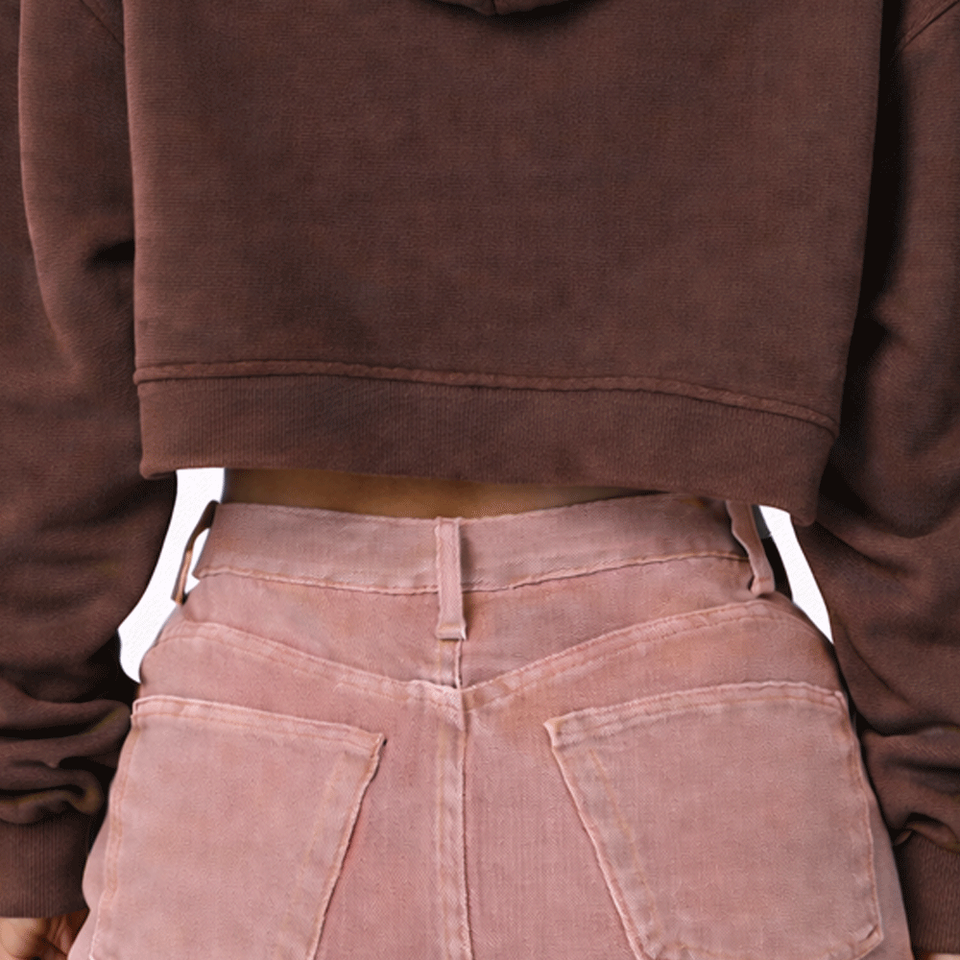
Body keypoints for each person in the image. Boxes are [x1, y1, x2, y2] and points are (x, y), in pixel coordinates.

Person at [1, 0, 959, 957]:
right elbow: (925, 379)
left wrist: (23, 815)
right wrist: (947, 838)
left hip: (253, 750)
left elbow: (48, 354)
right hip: (705, 747)